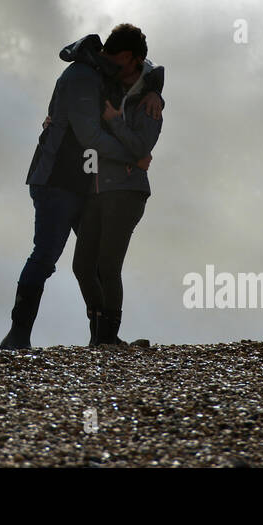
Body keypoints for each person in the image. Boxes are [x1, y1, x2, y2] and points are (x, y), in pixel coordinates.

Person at [0, 29, 164, 350]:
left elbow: (148, 71)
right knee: (46, 257)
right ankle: (17, 335)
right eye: (133, 62)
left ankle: (103, 338)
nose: (132, 70)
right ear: (126, 56)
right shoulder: (80, 76)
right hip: (56, 180)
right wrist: (135, 155)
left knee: (95, 264)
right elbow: (89, 135)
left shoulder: (103, 70)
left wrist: (156, 90)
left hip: (85, 183)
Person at [72, 23, 163, 347]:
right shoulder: (108, 84)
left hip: (127, 191)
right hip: (96, 187)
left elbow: (141, 148)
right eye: (110, 57)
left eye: (119, 59)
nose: (113, 64)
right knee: (83, 266)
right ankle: (103, 337)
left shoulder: (150, 104)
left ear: (134, 59)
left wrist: (113, 121)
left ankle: (107, 339)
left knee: (108, 265)